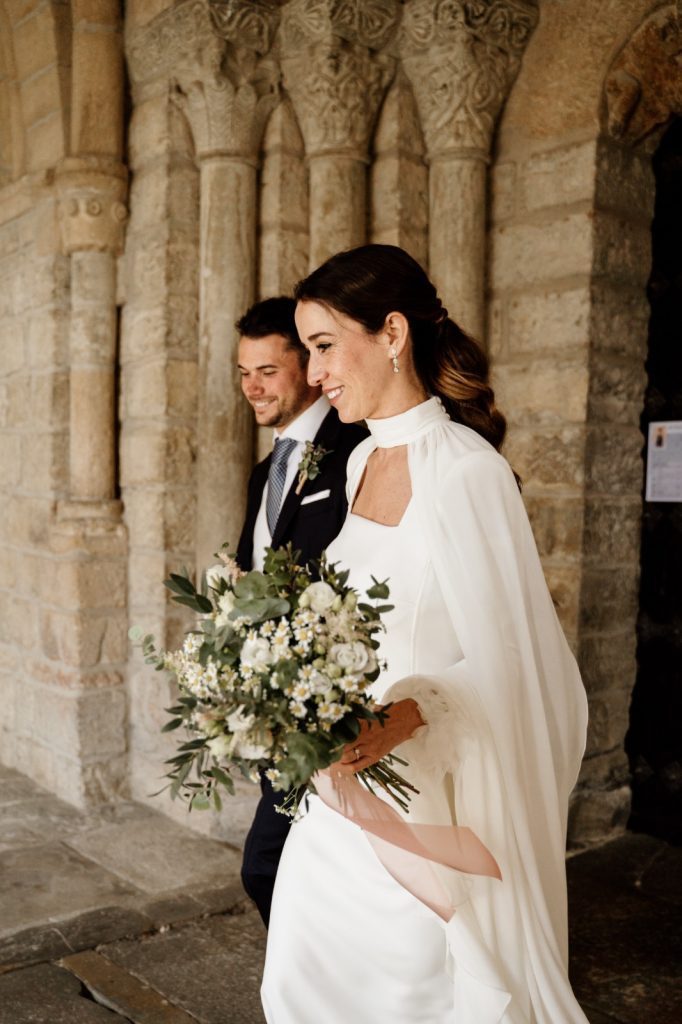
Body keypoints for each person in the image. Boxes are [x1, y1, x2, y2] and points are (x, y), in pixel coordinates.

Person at [261, 247, 590, 1023]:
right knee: (295, 987)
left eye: (324, 346)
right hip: (336, 804)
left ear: (392, 333)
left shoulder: (467, 472)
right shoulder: (361, 461)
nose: (314, 373)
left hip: (421, 803)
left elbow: (525, 669)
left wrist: (406, 713)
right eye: (307, 350)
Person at [234, 296, 367, 927]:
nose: (252, 387)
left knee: (266, 866)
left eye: (267, 371)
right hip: (281, 703)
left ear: (309, 367)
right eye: (244, 373)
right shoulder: (265, 470)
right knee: (301, 866)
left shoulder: (354, 448)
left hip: (338, 703)